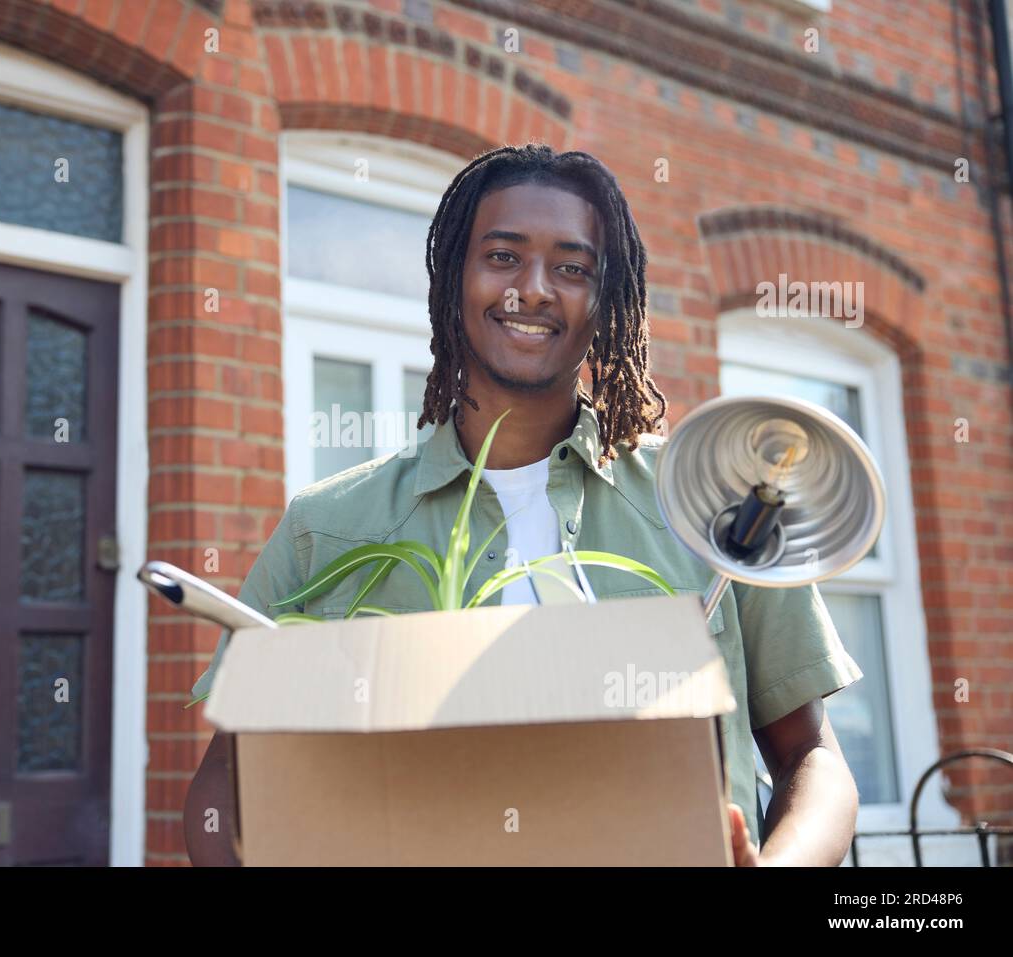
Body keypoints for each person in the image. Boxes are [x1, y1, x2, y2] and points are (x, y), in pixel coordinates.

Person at [184, 143, 861, 867]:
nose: (534, 289)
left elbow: (811, 755)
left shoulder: (710, 505)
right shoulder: (326, 528)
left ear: (607, 300)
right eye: (503, 256)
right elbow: (224, 789)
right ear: (454, 280)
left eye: (573, 267)